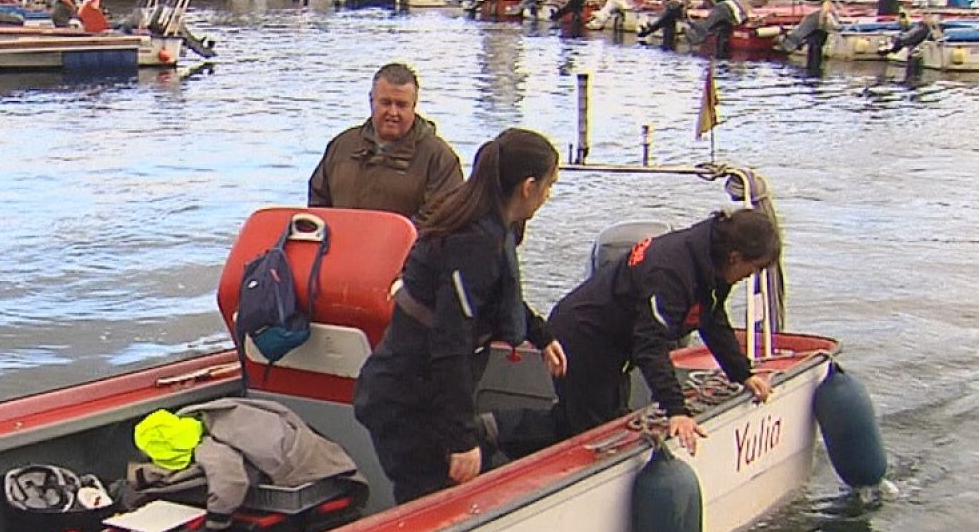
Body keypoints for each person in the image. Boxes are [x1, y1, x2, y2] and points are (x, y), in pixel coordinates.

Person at [353, 129, 568, 504]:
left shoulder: (489, 224)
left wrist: (541, 334)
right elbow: (449, 344)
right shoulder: (474, 243)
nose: (548, 196)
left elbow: (498, 299)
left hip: (422, 392)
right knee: (428, 497)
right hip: (404, 400)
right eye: (549, 186)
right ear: (528, 187)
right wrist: (461, 440)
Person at [546, 207, 780, 453]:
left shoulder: (709, 262)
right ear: (735, 257)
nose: (751, 275)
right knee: (595, 435)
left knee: (602, 418)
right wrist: (676, 410)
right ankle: (505, 432)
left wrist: (742, 372)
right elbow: (651, 345)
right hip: (584, 338)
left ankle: (508, 431)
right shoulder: (672, 272)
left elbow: (711, 319)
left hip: (615, 344)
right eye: (755, 268)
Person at [307, 62, 465, 217]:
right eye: (385, 103)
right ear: (371, 101)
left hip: (407, 242)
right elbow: (318, 204)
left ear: (414, 106)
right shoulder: (342, 146)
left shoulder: (439, 159)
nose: (393, 112)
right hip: (344, 241)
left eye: (401, 105)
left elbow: (442, 219)